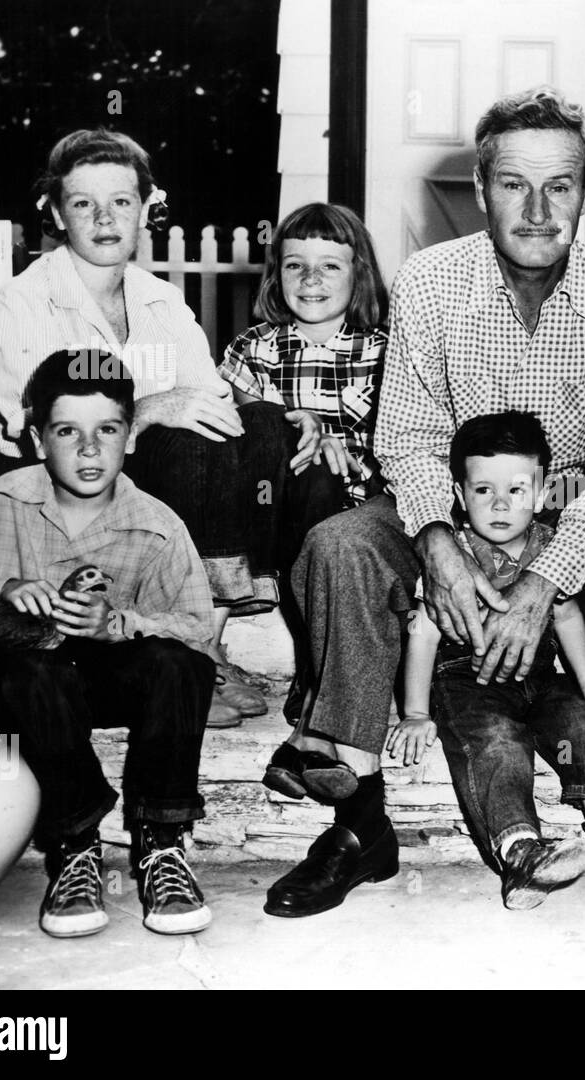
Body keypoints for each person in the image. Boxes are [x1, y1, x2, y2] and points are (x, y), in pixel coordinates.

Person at [264, 87, 585, 924]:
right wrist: (441, 548)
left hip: (579, 520)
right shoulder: (431, 280)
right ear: (482, 188)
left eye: (559, 186)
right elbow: (408, 440)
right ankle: (358, 822)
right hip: (457, 510)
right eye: (514, 185)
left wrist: (545, 582)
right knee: (340, 544)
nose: (536, 208)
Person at [0, 128, 340, 726]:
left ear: (147, 207)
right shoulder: (22, 302)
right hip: (65, 492)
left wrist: (282, 417)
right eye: (82, 203)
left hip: (155, 484)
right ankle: (195, 648)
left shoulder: (160, 300)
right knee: (181, 436)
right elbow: (40, 432)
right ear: (56, 213)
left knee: (270, 428)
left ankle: (295, 666)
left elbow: (209, 396)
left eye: (120, 201)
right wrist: (146, 412)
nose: (104, 218)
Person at [0, 350, 216, 937]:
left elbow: (198, 627)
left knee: (180, 666)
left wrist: (119, 624)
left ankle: (161, 842)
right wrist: (1, 585)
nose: (88, 449)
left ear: (130, 438)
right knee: (28, 669)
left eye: (107, 430)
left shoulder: (157, 523)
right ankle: (75, 845)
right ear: (37, 439)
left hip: (112, 680)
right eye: (66, 431)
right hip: (35, 690)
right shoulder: (5, 501)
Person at [382, 411, 585, 909]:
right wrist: (416, 712)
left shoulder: (551, 547)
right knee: (497, 745)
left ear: (543, 494)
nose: (500, 504)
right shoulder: (453, 556)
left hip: (540, 676)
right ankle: (519, 851)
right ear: (459, 496)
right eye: (483, 491)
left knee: (580, 724)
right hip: (466, 680)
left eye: (517, 490)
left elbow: (565, 613)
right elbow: (422, 630)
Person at [216, 202, 389, 737]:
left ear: (358, 274)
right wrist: (297, 432)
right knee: (301, 470)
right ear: (277, 274)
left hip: (348, 503)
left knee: (325, 479)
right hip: (269, 504)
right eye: (295, 265)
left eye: (330, 266)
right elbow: (240, 431)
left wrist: (339, 445)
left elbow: (398, 441)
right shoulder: (256, 347)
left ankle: (319, 675)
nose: (311, 279)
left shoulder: (385, 351)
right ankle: (314, 672)